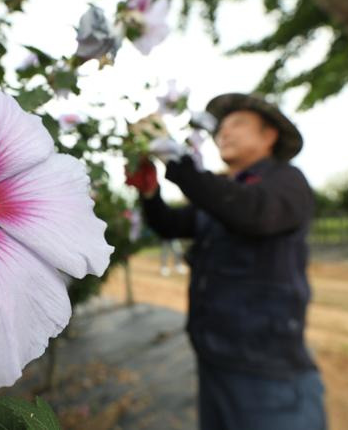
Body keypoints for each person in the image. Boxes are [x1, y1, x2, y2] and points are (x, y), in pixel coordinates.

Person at [125, 93, 326, 430]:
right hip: (213, 359)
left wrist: (176, 157)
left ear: (268, 135)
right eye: (221, 127)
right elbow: (171, 225)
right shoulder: (218, 190)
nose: (224, 133)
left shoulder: (286, 182)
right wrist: (149, 193)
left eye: (238, 124)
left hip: (267, 372)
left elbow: (252, 212)